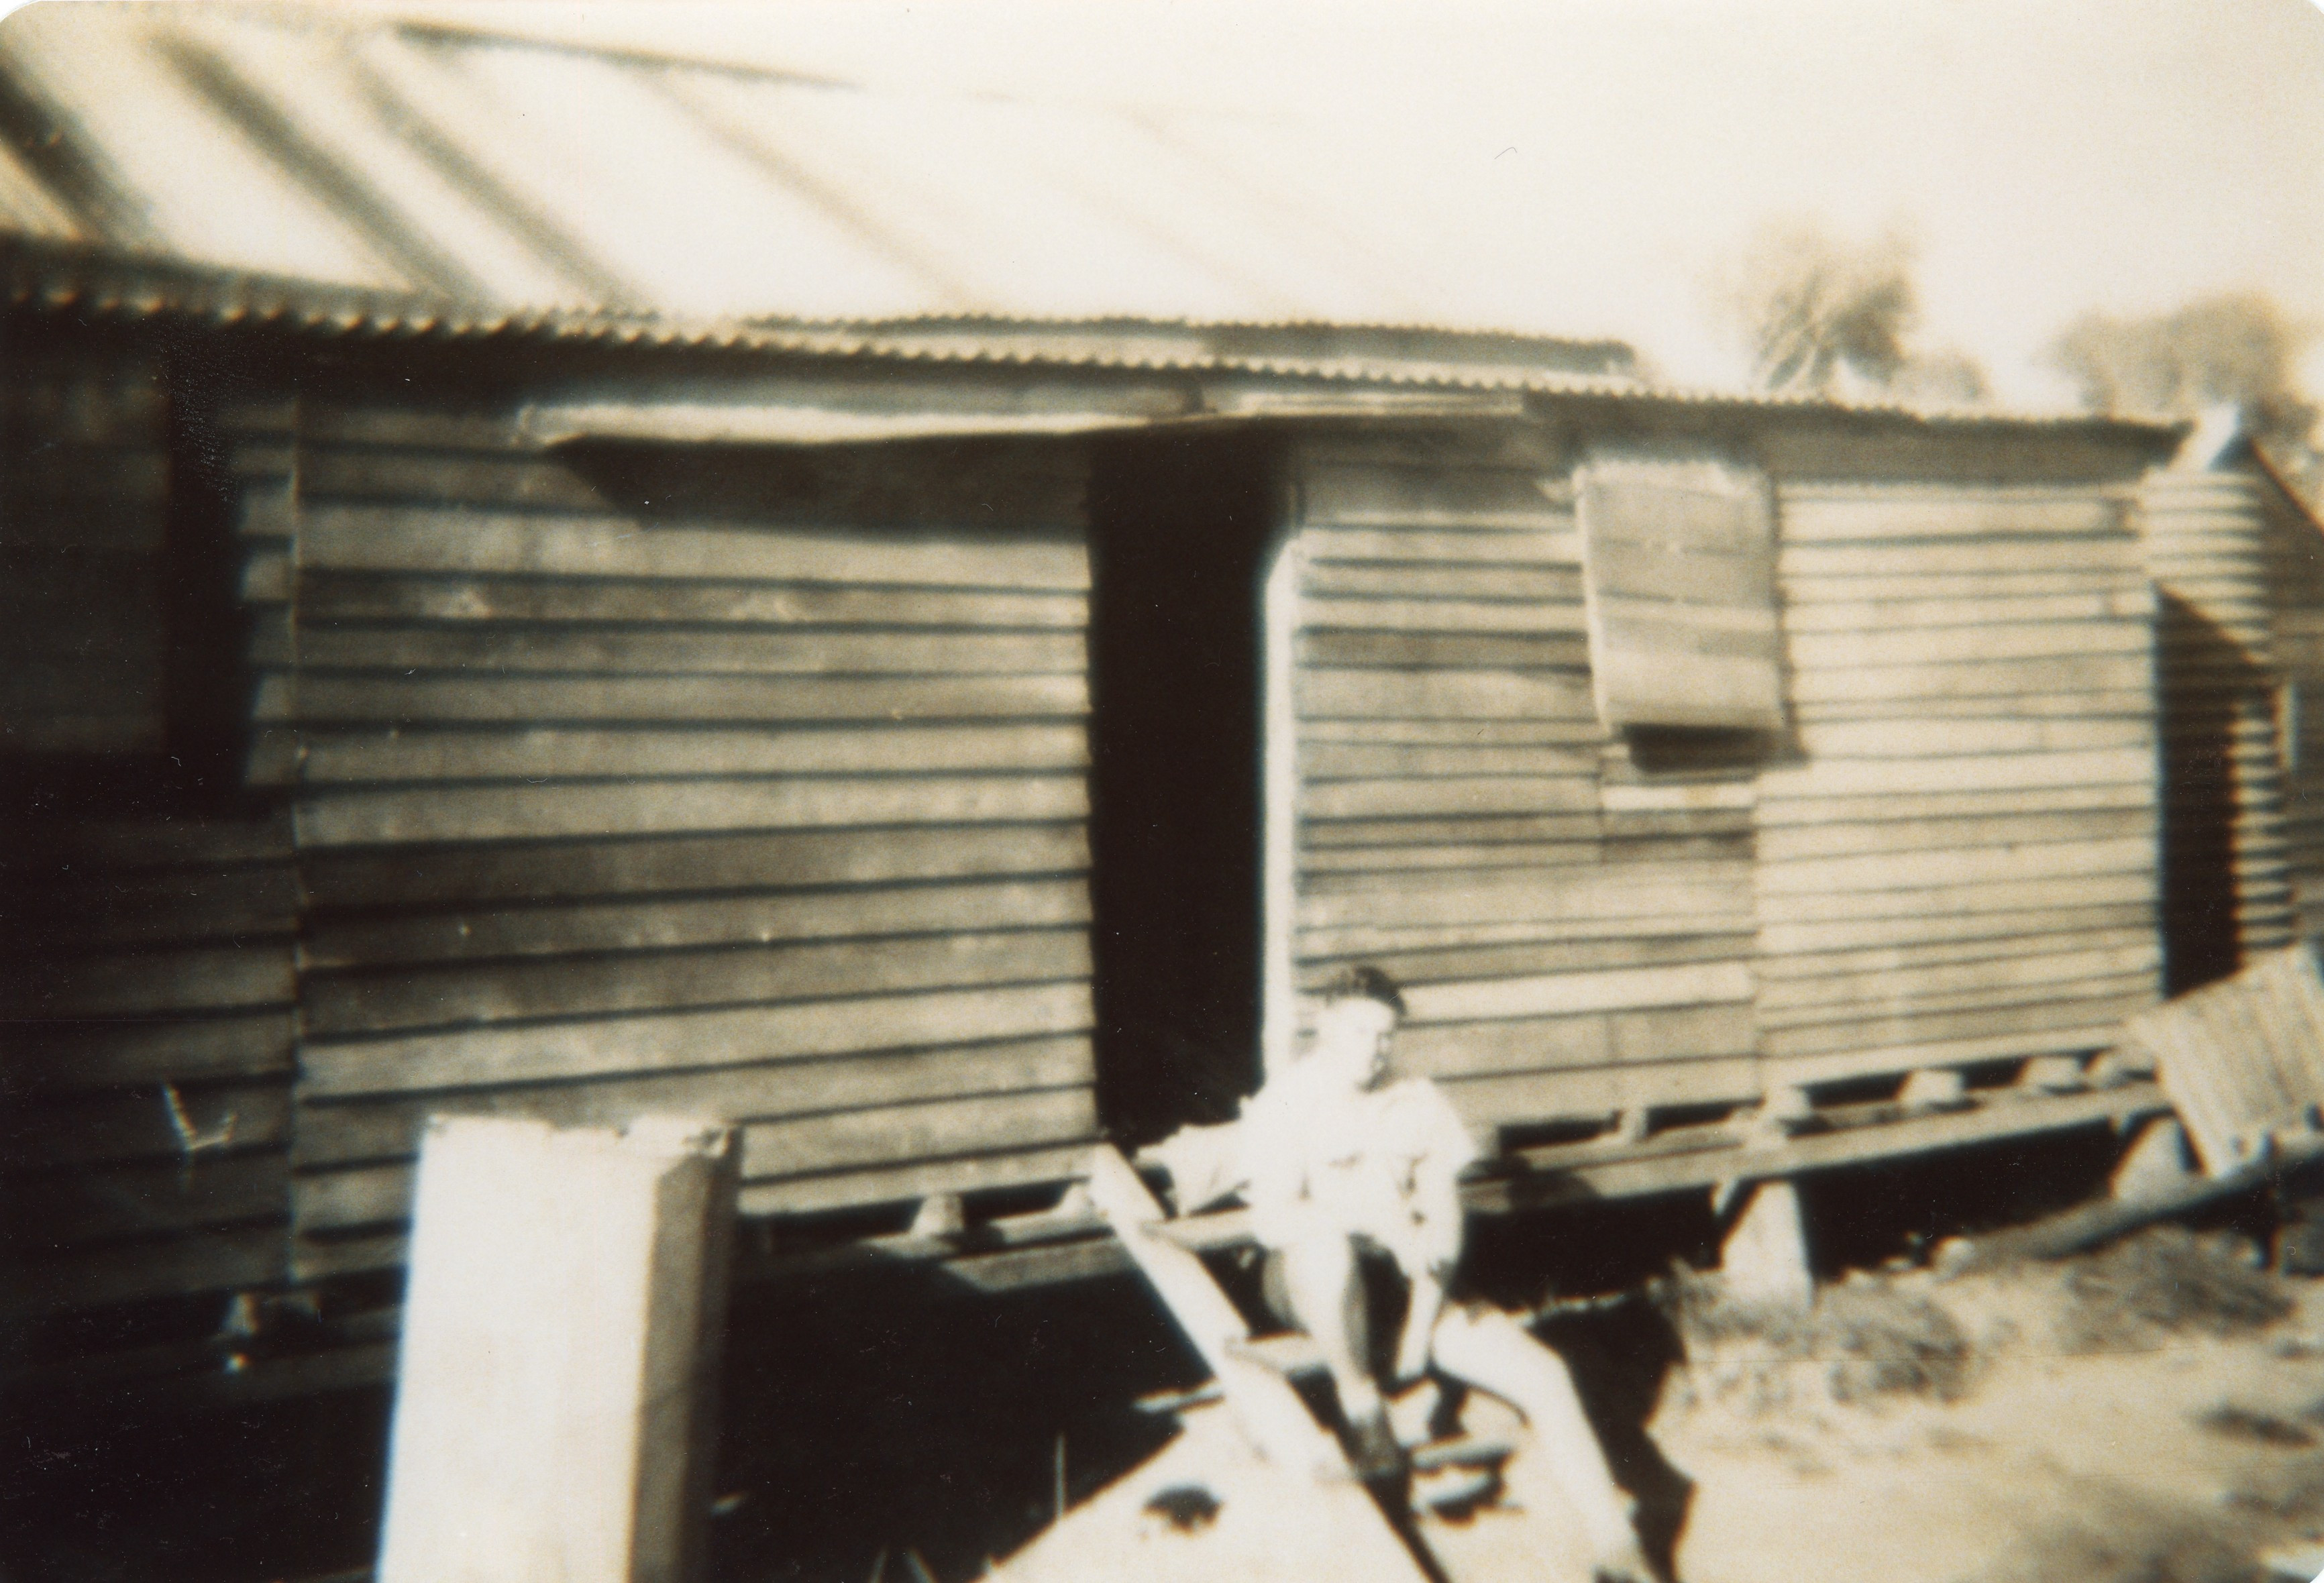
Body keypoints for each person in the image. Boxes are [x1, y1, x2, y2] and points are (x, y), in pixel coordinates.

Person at [1234, 965, 1654, 1583]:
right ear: (1323, 1027)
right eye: (1358, 1033)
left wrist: (1419, 1331)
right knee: (1325, 1248)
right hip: (1308, 1281)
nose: (1373, 1051)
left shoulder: (1419, 1099)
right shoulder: (1287, 1100)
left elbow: (1445, 1226)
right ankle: (1363, 1408)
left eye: (1385, 1036)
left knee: (1547, 1375)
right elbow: (1274, 1220)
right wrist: (1380, 1222)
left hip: (1404, 1289)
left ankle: (1618, 1550)